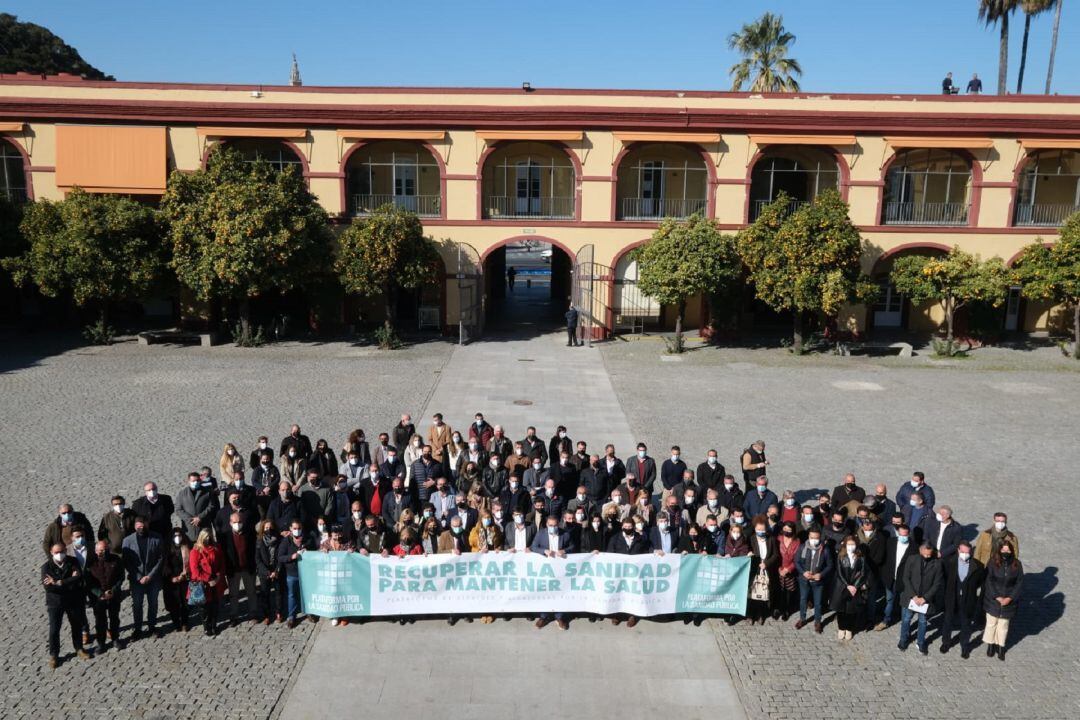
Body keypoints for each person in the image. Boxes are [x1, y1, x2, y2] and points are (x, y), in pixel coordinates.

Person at [42, 542, 90, 668]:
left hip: (73, 600)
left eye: (62, 551)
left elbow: (79, 578)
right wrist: (69, 581)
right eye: (57, 552)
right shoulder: (46, 567)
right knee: (54, 629)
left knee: (76, 625)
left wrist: (58, 582)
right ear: (51, 552)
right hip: (55, 603)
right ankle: (54, 655)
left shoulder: (73, 562)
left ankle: (79, 648)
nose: (60, 554)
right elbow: (49, 588)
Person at [121, 516, 163, 639]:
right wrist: (139, 576)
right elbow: (127, 561)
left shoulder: (156, 538)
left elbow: (160, 558)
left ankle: (152, 627)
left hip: (153, 578)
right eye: (139, 524)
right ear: (135, 526)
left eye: (143, 524)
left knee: (153, 603)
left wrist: (150, 576)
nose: (141, 527)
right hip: (136, 579)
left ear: (147, 524)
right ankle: (137, 629)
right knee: (137, 604)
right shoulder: (127, 541)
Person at [940, 541, 984, 658]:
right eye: (963, 551)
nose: (965, 554)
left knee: (966, 624)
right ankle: (946, 642)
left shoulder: (978, 566)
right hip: (952, 598)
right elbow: (944, 579)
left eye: (967, 552)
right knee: (948, 621)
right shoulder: (949, 563)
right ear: (958, 550)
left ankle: (964, 646)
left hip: (968, 599)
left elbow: (979, 582)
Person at [898, 541, 943, 655]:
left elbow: (937, 584)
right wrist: (913, 595)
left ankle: (921, 642)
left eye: (929, 554)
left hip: (926, 600)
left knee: (923, 622)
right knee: (906, 619)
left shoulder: (937, 564)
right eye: (925, 554)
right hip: (911, 597)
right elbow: (906, 578)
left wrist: (925, 598)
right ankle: (903, 640)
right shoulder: (912, 559)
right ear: (920, 550)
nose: (927, 556)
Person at [604, 518, 650, 627]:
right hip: (619, 572)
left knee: (633, 594)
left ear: (633, 527)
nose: (627, 528)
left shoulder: (641, 538)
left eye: (630, 527)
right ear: (622, 527)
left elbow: (646, 553)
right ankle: (617, 614)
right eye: (626, 526)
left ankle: (632, 615)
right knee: (619, 593)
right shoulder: (615, 538)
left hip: (635, 572)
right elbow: (610, 554)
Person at [982, 540, 1023, 661]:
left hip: (1009, 601)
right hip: (993, 599)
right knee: (991, 623)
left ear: (1011, 551)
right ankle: (990, 645)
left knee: (1003, 626)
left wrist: (1010, 598)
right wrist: (997, 596)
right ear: (999, 550)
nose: (1006, 552)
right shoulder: (993, 562)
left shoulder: (1017, 564)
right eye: (1003, 550)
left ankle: (1001, 647)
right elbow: (989, 580)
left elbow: (1019, 583)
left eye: (1008, 550)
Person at [533, 515, 574, 629]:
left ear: (558, 524)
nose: (553, 527)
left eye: (555, 525)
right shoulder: (541, 533)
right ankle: (544, 616)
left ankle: (559, 617)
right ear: (546, 525)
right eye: (550, 525)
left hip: (560, 568)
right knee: (545, 591)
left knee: (560, 591)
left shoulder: (565, 534)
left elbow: (573, 546)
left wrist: (564, 550)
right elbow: (534, 547)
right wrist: (544, 551)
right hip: (546, 568)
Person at [85, 540, 124, 654]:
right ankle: (101, 643)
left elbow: (121, 577)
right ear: (96, 551)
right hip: (98, 598)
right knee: (100, 621)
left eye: (106, 549)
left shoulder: (116, 560)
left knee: (114, 619)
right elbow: (89, 582)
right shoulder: (91, 563)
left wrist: (113, 591)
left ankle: (115, 639)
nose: (104, 551)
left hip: (113, 596)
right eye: (101, 550)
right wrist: (100, 594)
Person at [876, 523, 914, 630]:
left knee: (903, 603)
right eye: (900, 534)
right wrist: (885, 575)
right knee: (889, 600)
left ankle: (904, 624)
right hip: (890, 577)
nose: (902, 537)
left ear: (909, 534)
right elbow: (885, 559)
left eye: (905, 535)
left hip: (904, 580)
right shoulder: (891, 542)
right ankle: (886, 620)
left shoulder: (914, 547)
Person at [223, 511, 258, 625]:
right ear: (230, 523)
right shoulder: (225, 536)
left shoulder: (250, 534)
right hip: (233, 570)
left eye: (239, 522)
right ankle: (234, 615)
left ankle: (253, 613)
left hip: (248, 568)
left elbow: (254, 551)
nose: (237, 524)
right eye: (235, 522)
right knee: (233, 594)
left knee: (251, 592)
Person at [794, 527, 832, 633]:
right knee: (803, 599)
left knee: (818, 602)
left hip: (818, 581)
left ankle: (818, 621)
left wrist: (821, 574)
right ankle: (802, 618)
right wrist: (803, 572)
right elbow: (797, 562)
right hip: (804, 580)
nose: (814, 540)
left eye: (816, 538)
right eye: (812, 537)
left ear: (820, 538)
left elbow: (829, 565)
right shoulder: (802, 547)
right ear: (808, 537)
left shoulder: (825, 550)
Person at [189, 529, 226, 636]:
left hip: (216, 581)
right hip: (203, 583)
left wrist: (218, 577)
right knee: (204, 607)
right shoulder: (195, 551)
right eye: (206, 537)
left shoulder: (216, 548)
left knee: (215, 604)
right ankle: (206, 626)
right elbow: (195, 571)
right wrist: (208, 580)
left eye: (209, 537)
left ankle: (214, 625)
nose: (208, 539)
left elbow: (222, 563)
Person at [831, 536, 869, 640]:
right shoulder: (841, 556)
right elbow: (839, 572)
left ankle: (849, 629)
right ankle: (841, 628)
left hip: (855, 588)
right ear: (845, 545)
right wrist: (848, 585)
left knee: (851, 610)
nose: (851, 547)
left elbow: (863, 573)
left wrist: (855, 586)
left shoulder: (860, 557)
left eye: (853, 544)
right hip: (842, 587)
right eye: (849, 544)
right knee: (841, 610)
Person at [277, 519, 313, 628]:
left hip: (306, 573)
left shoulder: (307, 539)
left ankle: (308, 612)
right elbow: (280, 557)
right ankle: (291, 616)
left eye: (299, 528)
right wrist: (292, 556)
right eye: (295, 528)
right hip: (292, 573)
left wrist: (308, 550)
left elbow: (315, 552)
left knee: (306, 594)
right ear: (290, 529)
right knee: (292, 595)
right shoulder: (286, 541)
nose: (297, 530)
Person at [747, 516, 779, 625]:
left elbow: (775, 555)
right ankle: (751, 615)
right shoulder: (751, 538)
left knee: (763, 593)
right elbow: (748, 550)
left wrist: (766, 564)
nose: (760, 532)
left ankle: (761, 614)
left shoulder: (771, 539)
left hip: (766, 570)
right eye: (758, 530)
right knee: (752, 593)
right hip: (754, 570)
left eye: (763, 530)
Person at [253, 520, 283, 625]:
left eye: (270, 527)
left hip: (276, 570)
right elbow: (257, 559)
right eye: (266, 528)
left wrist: (276, 570)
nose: (268, 529)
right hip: (264, 571)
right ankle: (266, 615)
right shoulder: (259, 541)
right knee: (265, 593)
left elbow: (280, 556)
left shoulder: (279, 540)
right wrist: (267, 572)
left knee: (278, 593)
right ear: (262, 529)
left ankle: (278, 612)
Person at [176, 472, 219, 542]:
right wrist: (191, 519)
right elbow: (178, 509)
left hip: (204, 526)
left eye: (197, 481)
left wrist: (200, 517)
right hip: (189, 527)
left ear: (200, 481)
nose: (195, 483)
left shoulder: (207, 492)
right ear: (188, 481)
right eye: (193, 481)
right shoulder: (182, 493)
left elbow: (211, 506)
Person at [163, 527, 191, 633]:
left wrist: (183, 575)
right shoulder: (167, 549)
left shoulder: (186, 547)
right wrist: (171, 577)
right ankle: (176, 623)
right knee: (173, 603)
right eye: (175, 536)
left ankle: (184, 623)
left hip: (184, 579)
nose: (177, 538)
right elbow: (164, 565)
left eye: (179, 535)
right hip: (171, 581)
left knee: (185, 603)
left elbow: (190, 563)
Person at [776, 521, 800, 621]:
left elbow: (797, 559)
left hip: (790, 570)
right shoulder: (778, 539)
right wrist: (779, 569)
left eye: (789, 530)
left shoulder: (797, 542)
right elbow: (775, 554)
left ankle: (786, 610)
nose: (786, 532)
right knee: (778, 591)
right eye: (785, 530)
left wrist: (788, 569)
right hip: (778, 569)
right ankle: (778, 609)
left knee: (789, 592)